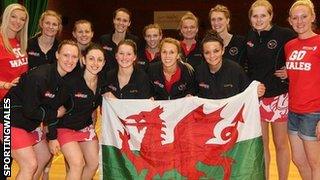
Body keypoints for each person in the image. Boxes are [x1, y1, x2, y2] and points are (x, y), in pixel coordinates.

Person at [0, 40, 80, 180]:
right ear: (57, 55)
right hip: (8, 119)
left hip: (28, 122)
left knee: (44, 156)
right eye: (66, 55)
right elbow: (31, 111)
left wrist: (53, 137)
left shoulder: (65, 80)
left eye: (74, 57)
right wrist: (55, 113)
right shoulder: (40, 76)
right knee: (29, 165)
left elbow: (57, 106)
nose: (70, 60)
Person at [246, 0, 296, 179]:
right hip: (257, 99)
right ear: (250, 18)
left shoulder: (285, 34)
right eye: (255, 16)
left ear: (271, 16)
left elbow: (301, 52)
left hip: (279, 97)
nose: (259, 20)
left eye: (263, 15)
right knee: (263, 144)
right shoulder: (249, 37)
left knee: (281, 144)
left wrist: (290, 70)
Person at [48, 43, 104, 180]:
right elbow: (53, 109)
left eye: (99, 59)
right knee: (77, 164)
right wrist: (52, 137)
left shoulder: (103, 82)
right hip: (65, 128)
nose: (95, 63)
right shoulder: (70, 82)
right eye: (91, 59)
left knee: (94, 163)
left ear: (104, 63)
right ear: (83, 60)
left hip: (85, 127)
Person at [285, 0, 320, 179]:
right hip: (293, 111)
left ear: (313, 17)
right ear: (290, 21)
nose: (300, 22)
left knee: (316, 164)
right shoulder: (289, 46)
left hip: (313, 113)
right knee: (298, 160)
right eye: (295, 18)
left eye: (304, 16)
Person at [196, 30, 265, 99]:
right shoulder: (199, 71)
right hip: (209, 109)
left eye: (216, 51)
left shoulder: (235, 70)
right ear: (203, 53)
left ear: (223, 50)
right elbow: (194, 95)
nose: (212, 56)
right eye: (207, 52)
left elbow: (248, 92)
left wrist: (256, 91)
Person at [0, 3, 29, 101]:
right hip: (3, 99)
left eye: (22, 19)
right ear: (6, 17)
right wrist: (5, 85)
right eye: (13, 16)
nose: (18, 21)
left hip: (18, 98)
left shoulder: (21, 42)